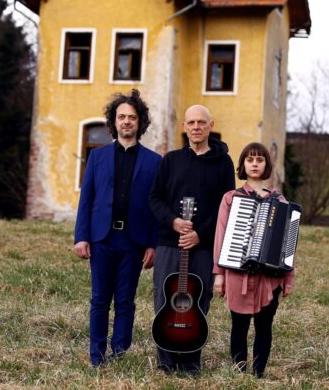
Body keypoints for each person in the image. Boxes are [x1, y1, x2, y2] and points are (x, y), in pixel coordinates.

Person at [74, 89, 162, 367]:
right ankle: (97, 356)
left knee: (126, 301)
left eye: (132, 117)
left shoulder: (155, 162)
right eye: (121, 116)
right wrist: (81, 237)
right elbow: (86, 199)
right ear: (114, 121)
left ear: (140, 122)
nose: (126, 121)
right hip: (102, 238)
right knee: (100, 300)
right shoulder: (97, 158)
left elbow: (156, 206)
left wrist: (153, 244)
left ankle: (120, 353)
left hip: (134, 241)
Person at [149, 104, 235, 374]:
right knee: (164, 300)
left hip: (204, 245)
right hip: (169, 243)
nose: (196, 127)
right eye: (191, 123)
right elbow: (155, 198)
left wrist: (200, 234)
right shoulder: (171, 160)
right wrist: (174, 221)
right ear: (184, 127)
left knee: (198, 301)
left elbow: (226, 206)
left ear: (211, 125)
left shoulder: (223, 163)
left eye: (201, 122)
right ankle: (165, 361)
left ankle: (189, 362)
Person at [212, 142, 295, 378]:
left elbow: (288, 243)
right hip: (238, 275)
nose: (255, 164)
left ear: (266, 165)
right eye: (250, 160)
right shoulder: (231, 198)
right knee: (238, 327)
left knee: (264, 327)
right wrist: (219, 275)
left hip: (269, 278)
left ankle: (258, 375)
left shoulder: (280, 200)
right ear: (243, 165)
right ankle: (239, 374)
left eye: (260, 160)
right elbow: (220, 235)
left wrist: (289, 277)